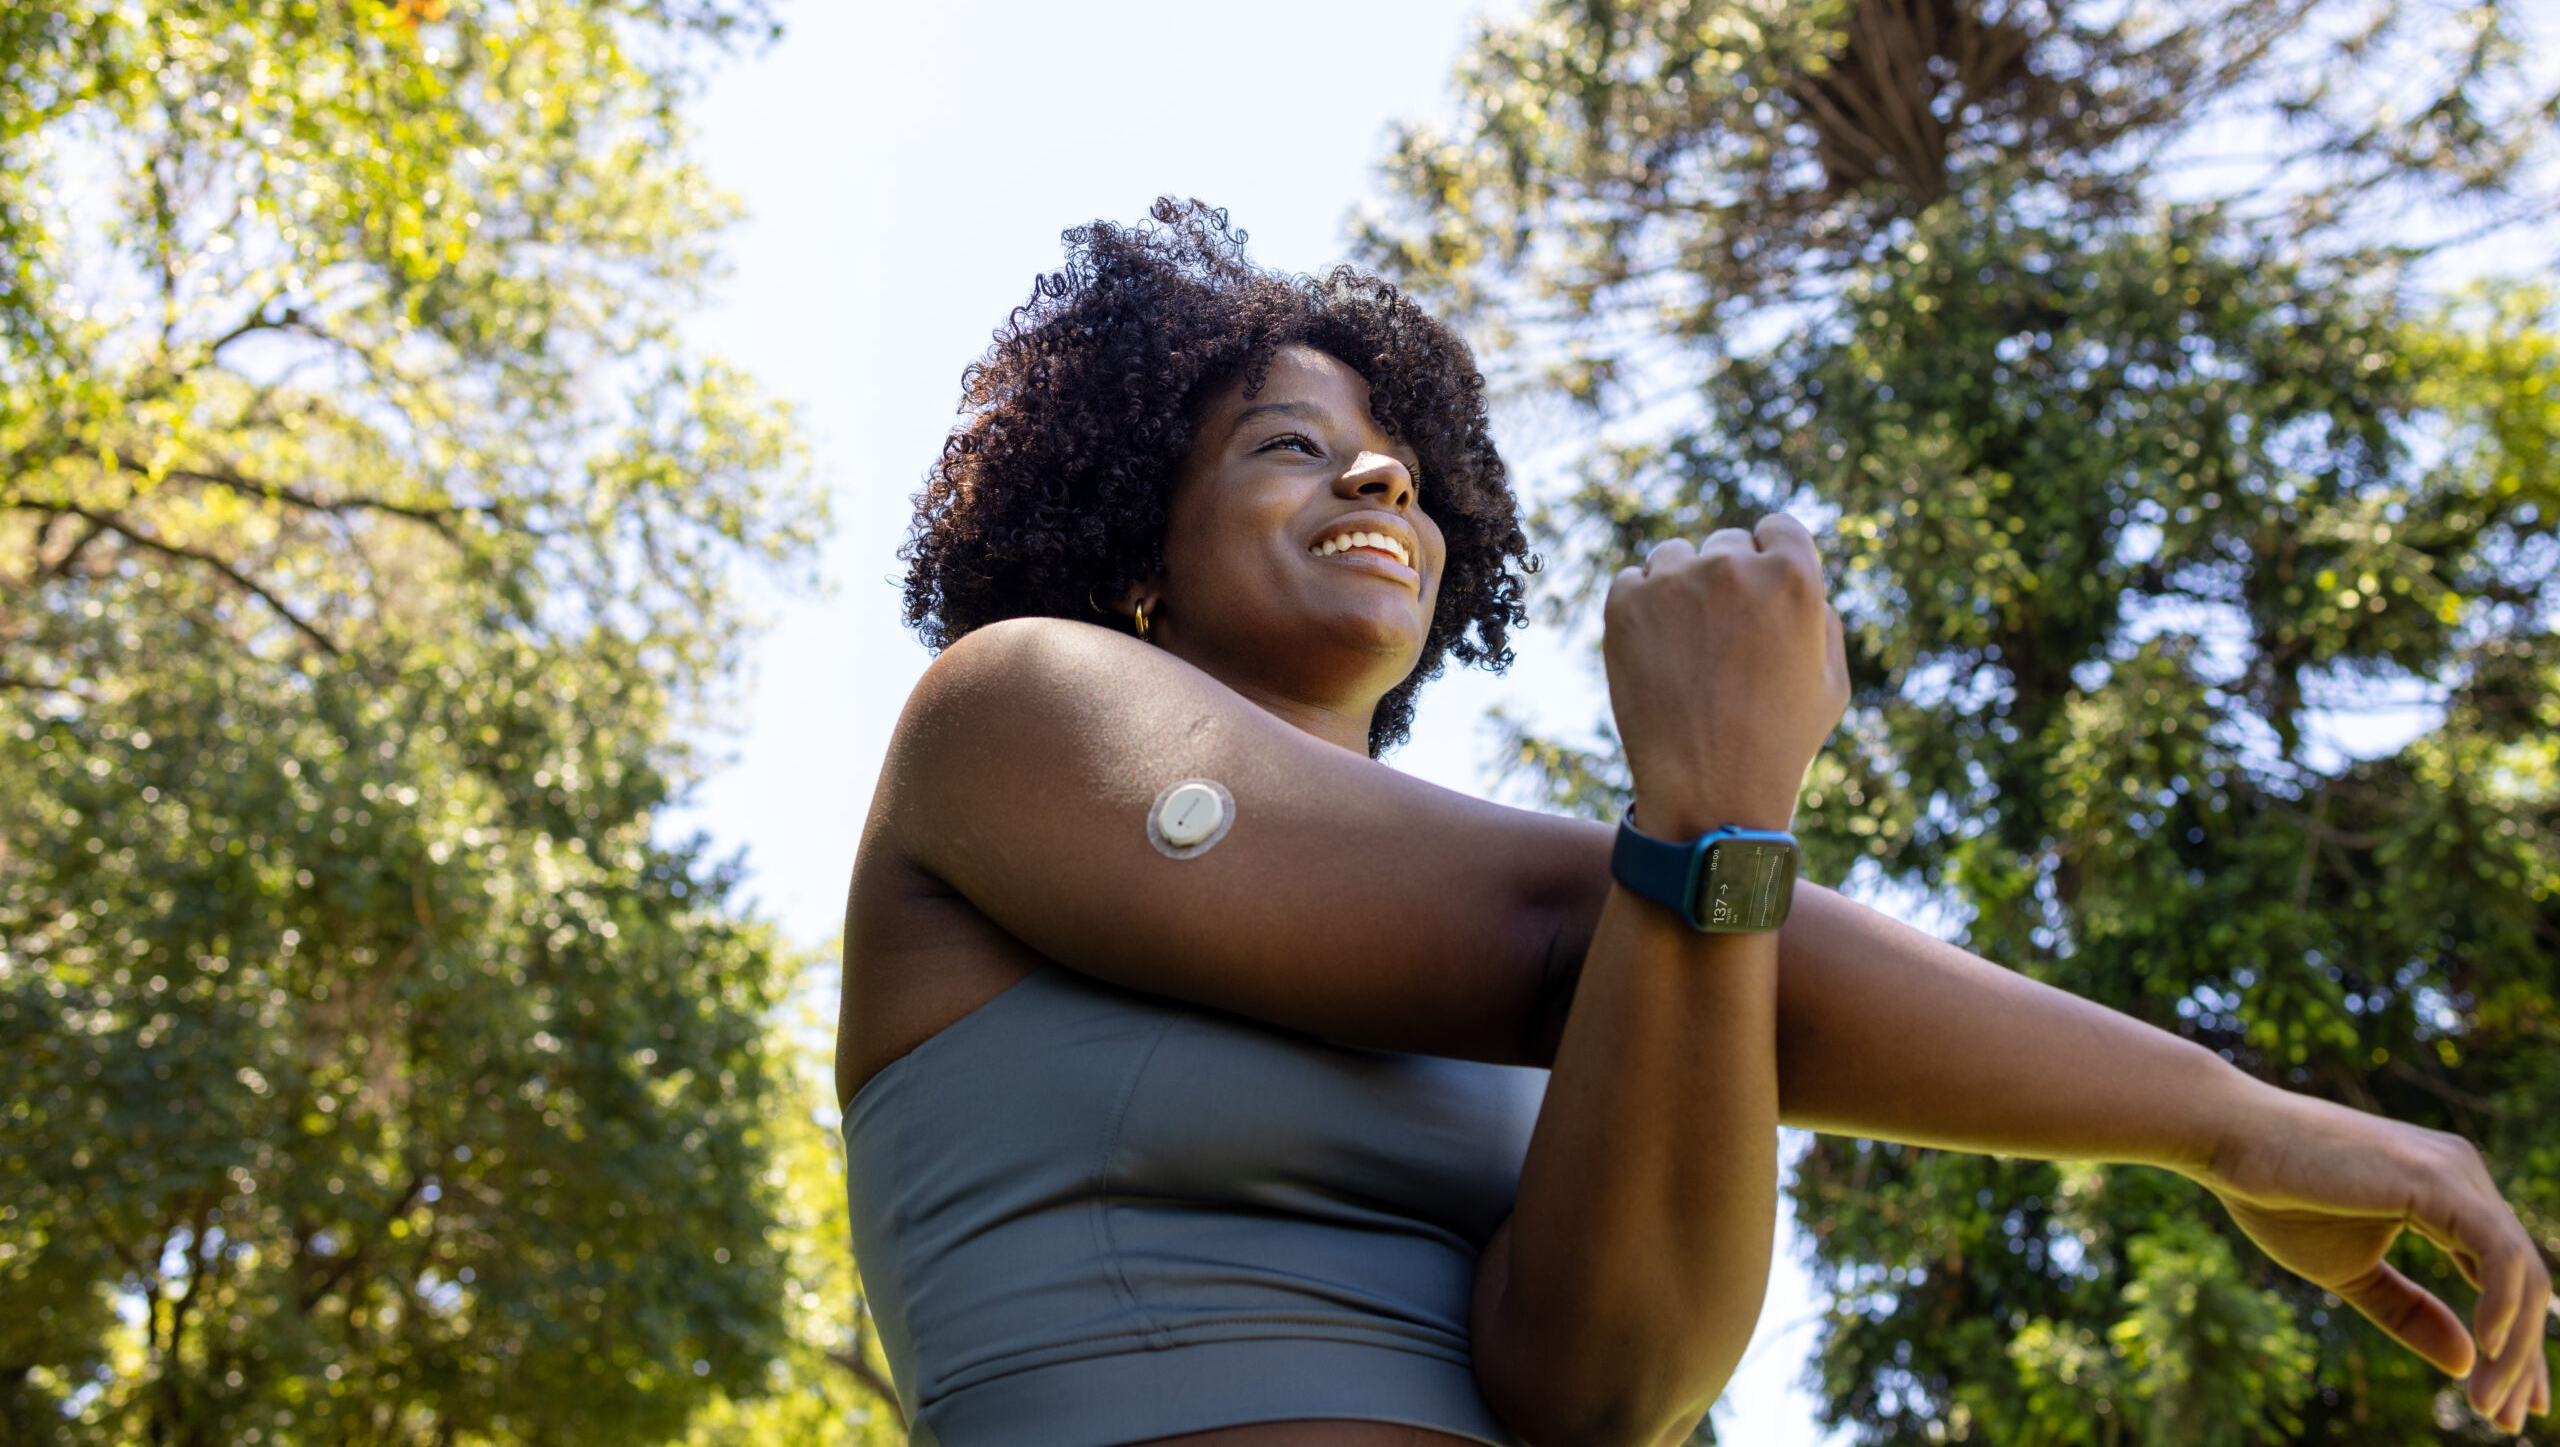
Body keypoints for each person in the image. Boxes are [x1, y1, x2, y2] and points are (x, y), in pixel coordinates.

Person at [835, 200, 2551, 1447]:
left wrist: (1710, 842)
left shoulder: (1610, 935)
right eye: (1293, 445)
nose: (1381, 482)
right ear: (1133, 547)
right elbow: (1548, 924)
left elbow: (1608, 1387)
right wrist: (2230, 1123)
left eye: (1409, 470)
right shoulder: (1012, 712)